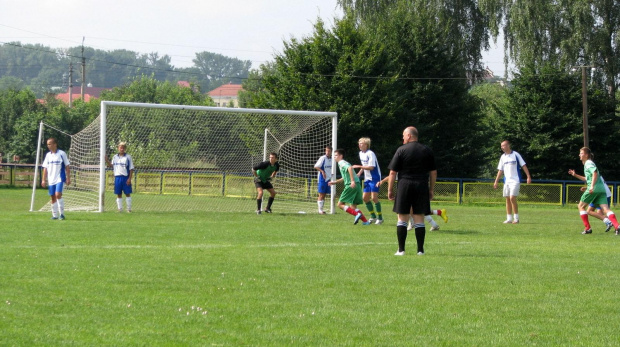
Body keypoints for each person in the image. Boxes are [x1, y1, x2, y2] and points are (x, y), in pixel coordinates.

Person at [387, 126, 436, 256]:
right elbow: (433, 172)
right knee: (419, 217)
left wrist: (390, 189)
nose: (402, 138)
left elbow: (392, 172)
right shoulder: (426, 150)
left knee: (402, 217)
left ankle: (401, 250)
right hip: (421, 185)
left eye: (403, 135)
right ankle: (420, 250)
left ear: (409, 136)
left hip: (405, 185)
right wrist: (431, 189)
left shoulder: (401, 150)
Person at [570, 147, 619, 235]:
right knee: (606, 209)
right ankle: (617, 226)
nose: (579, 155)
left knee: (581, 206)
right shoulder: (589, 163)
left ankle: (587, 228)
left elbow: (594, 173)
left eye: (581, 153)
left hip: (595, 188)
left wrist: (591, 186)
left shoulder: (588, 163)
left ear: (586, 155)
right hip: (601, 189)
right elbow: (588, 178)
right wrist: (575, 175)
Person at [376, 176, 447, 231]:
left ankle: (413, 223)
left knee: (414, 210)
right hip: (411, 189)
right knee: (414, 210)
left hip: (409, 190)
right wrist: (382, 181)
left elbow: (392, 174)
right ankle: (437, 217)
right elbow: (391, 175)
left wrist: (384, 183)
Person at [328, 148, 371, 225]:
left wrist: (352, 181)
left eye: (336, 155)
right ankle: (365, 221)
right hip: (357, 185)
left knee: (340, 205)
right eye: (334, 155)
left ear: (341, 156)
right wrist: (335, 182)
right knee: (353, 206)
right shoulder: (342, 163)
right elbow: (344, 177)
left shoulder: (341, 162)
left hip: (351, 185)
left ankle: (357, 214)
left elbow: (350, 168)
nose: (334, 157)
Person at [493, 140, 532, 224]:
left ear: (508, 145)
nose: (502, 147)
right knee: (507, 198)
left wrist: (528, 176)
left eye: (503, 146)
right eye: (501, 146)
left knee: (512, 197)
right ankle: (509, 218)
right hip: (506, 181)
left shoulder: (516, 155)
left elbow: (523, 165)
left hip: (515, 180)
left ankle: (516, 218)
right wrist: (496, 181)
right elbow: (500, 170)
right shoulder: (503, 157)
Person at [352, 137, 384, 224]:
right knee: (365, 198)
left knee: (374, 197)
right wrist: (359, 173)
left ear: (366, 145)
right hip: (367, 178)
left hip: (375, 178)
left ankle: (380, 218)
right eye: (359, 143)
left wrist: (359, 166)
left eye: (361, 143)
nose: (359, 144)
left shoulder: (371, 153)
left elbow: (371, 167)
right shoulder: (360, 153)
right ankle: (373, 216)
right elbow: (364, 165)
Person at [41, 137, 71, 220]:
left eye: (50, 144)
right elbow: (45, 168)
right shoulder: (48, 155)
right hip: (51, 179)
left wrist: (68, 178)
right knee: (52, 197)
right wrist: (43, 180)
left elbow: (67, 166)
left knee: (58, 195)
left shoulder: (61, 153)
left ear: (55, 144)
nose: (48, 146)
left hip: (60, 178)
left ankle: (62, 214)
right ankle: (55, 215)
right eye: (47, 144)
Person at [105, 142, 135, 213]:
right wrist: (106, 161)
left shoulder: (128, 157)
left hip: (125, 177)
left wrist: (129, 178)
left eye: (123, 148)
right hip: (117, 178)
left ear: (125, 149)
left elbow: (131, 168)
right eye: (120, 147)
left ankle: (129, 209)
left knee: (127, 193)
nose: (122, 149)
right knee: (118, 194)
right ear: (118, 148)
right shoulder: (115, 157)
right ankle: (120, 209)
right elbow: (112, 166)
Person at [314, 145, 333, 214]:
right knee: (321, 194)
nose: (327, 152)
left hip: (329, 179)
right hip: (322, 179)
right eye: (326, 150)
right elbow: (316, 166)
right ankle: (320, 210)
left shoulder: (332, 159)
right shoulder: (323, 158)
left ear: (331, 151)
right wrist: (322, 171)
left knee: (324, 194)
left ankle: (321, 209)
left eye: (329, 151)